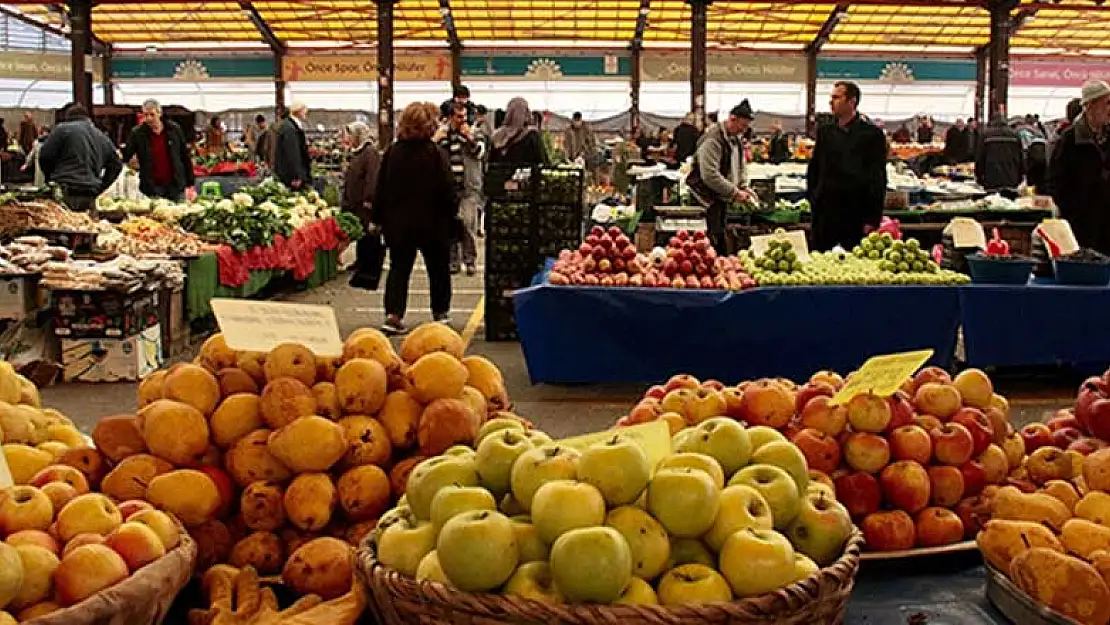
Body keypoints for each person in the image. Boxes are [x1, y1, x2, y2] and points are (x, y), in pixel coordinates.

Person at [373, 102, 458, 335]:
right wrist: (452, 217)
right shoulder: (436, 154)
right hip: (433, 223)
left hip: (399, 224)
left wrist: (377, 219)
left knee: (399, 269)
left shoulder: (393, 152)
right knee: (438, 270)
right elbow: (448, 190)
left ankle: (393, 315)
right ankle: (440, 314)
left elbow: (380, 188)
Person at [807, 81, 888, 251]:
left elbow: (877, 178)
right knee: (819, 260)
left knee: (854, 263)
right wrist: (813, 198)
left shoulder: (872, 134)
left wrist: (872, 218)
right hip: (825, 213)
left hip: (854, 213)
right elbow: (814, 168)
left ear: (852, 101)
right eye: (831, 97)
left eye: (836, 97)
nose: (831, 102)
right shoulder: (825, 132)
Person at [1048, 80, 1110, 255]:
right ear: (1091, 105)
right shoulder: (1069, 140)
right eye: (1107, 103)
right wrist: (1074, 212)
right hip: (1081, 226)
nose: (1109, 109)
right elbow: (1055, 180)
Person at [687, 100, 756, 254]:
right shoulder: (713, 139)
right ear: (732, 119)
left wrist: (743, 186)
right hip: (705, 199)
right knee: (708, 243)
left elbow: (740, 164)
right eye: (742, 126)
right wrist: (734, 192)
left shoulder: (735, 139)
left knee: (719, 236)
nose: (743, 130)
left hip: (720, 198)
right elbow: (710, 175)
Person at [38, 105, 121, 215]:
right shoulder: (101, 136)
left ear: (68, 117)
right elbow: (116, 165)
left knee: (63, 226)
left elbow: (44, 156)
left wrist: (50, 178)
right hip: (90, 193)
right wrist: (101, 186)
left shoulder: (62, 129)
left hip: (66, 190)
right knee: (87, 226)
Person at [438, 102, 485, 276]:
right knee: (450, 225)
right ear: (451, 117)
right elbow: (436, 152)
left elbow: (480, 153)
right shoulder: (443, 134)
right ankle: (453, 260)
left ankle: (470, 259)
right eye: (458, 117)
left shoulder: (474, 133)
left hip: (468, 187)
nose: (462, 120)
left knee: (467, 223)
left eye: (464, 117)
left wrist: (469, 137)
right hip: (448, 187)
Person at [122, 99, 194, 200]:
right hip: (152, 187)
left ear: (159, 113)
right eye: (145, 115)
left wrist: (190, 182)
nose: (149, 118)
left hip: (175, 184)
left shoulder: (174, 129)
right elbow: (126, 155)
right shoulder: (137, 133)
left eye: (152, 114)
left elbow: (184, 155)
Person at [342, 122, 383, 289]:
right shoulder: (357, 153)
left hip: (365, 202)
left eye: (351, 135)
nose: (348, 138)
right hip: (355, 202)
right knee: (361, 232)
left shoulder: (370, 152)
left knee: (368, 233)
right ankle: (360, 260)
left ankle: (368, 263)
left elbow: (372, 178)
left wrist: (369, 198)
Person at [489, 97, 547, 166]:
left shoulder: (497, 136)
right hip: (525, 175)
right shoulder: (532, 136)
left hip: (499, 175)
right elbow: (543, 163)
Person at [975, 116, 1024, 197]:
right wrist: (1020, 177)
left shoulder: (985, 135)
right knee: (1010, 205)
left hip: (991, 177)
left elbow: (980, 158)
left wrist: (979, 177)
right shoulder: (1015, 134)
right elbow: (1021, 157)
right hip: (1011, 178)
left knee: (992, 204)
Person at [274, 102, 311, 190]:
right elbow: (292, 153)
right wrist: (296, 176)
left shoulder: (289, 125)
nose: (305, 113)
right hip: (290, 176)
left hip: (289, 174)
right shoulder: (290, 128)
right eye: (304, 111)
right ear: (298, 111)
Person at [1018, 115, 1048, 191]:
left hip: (1027, 159)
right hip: (1040, 160)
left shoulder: (1019, 131)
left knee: (1029, 185)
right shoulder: (1038, 131)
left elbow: (1023, 147)